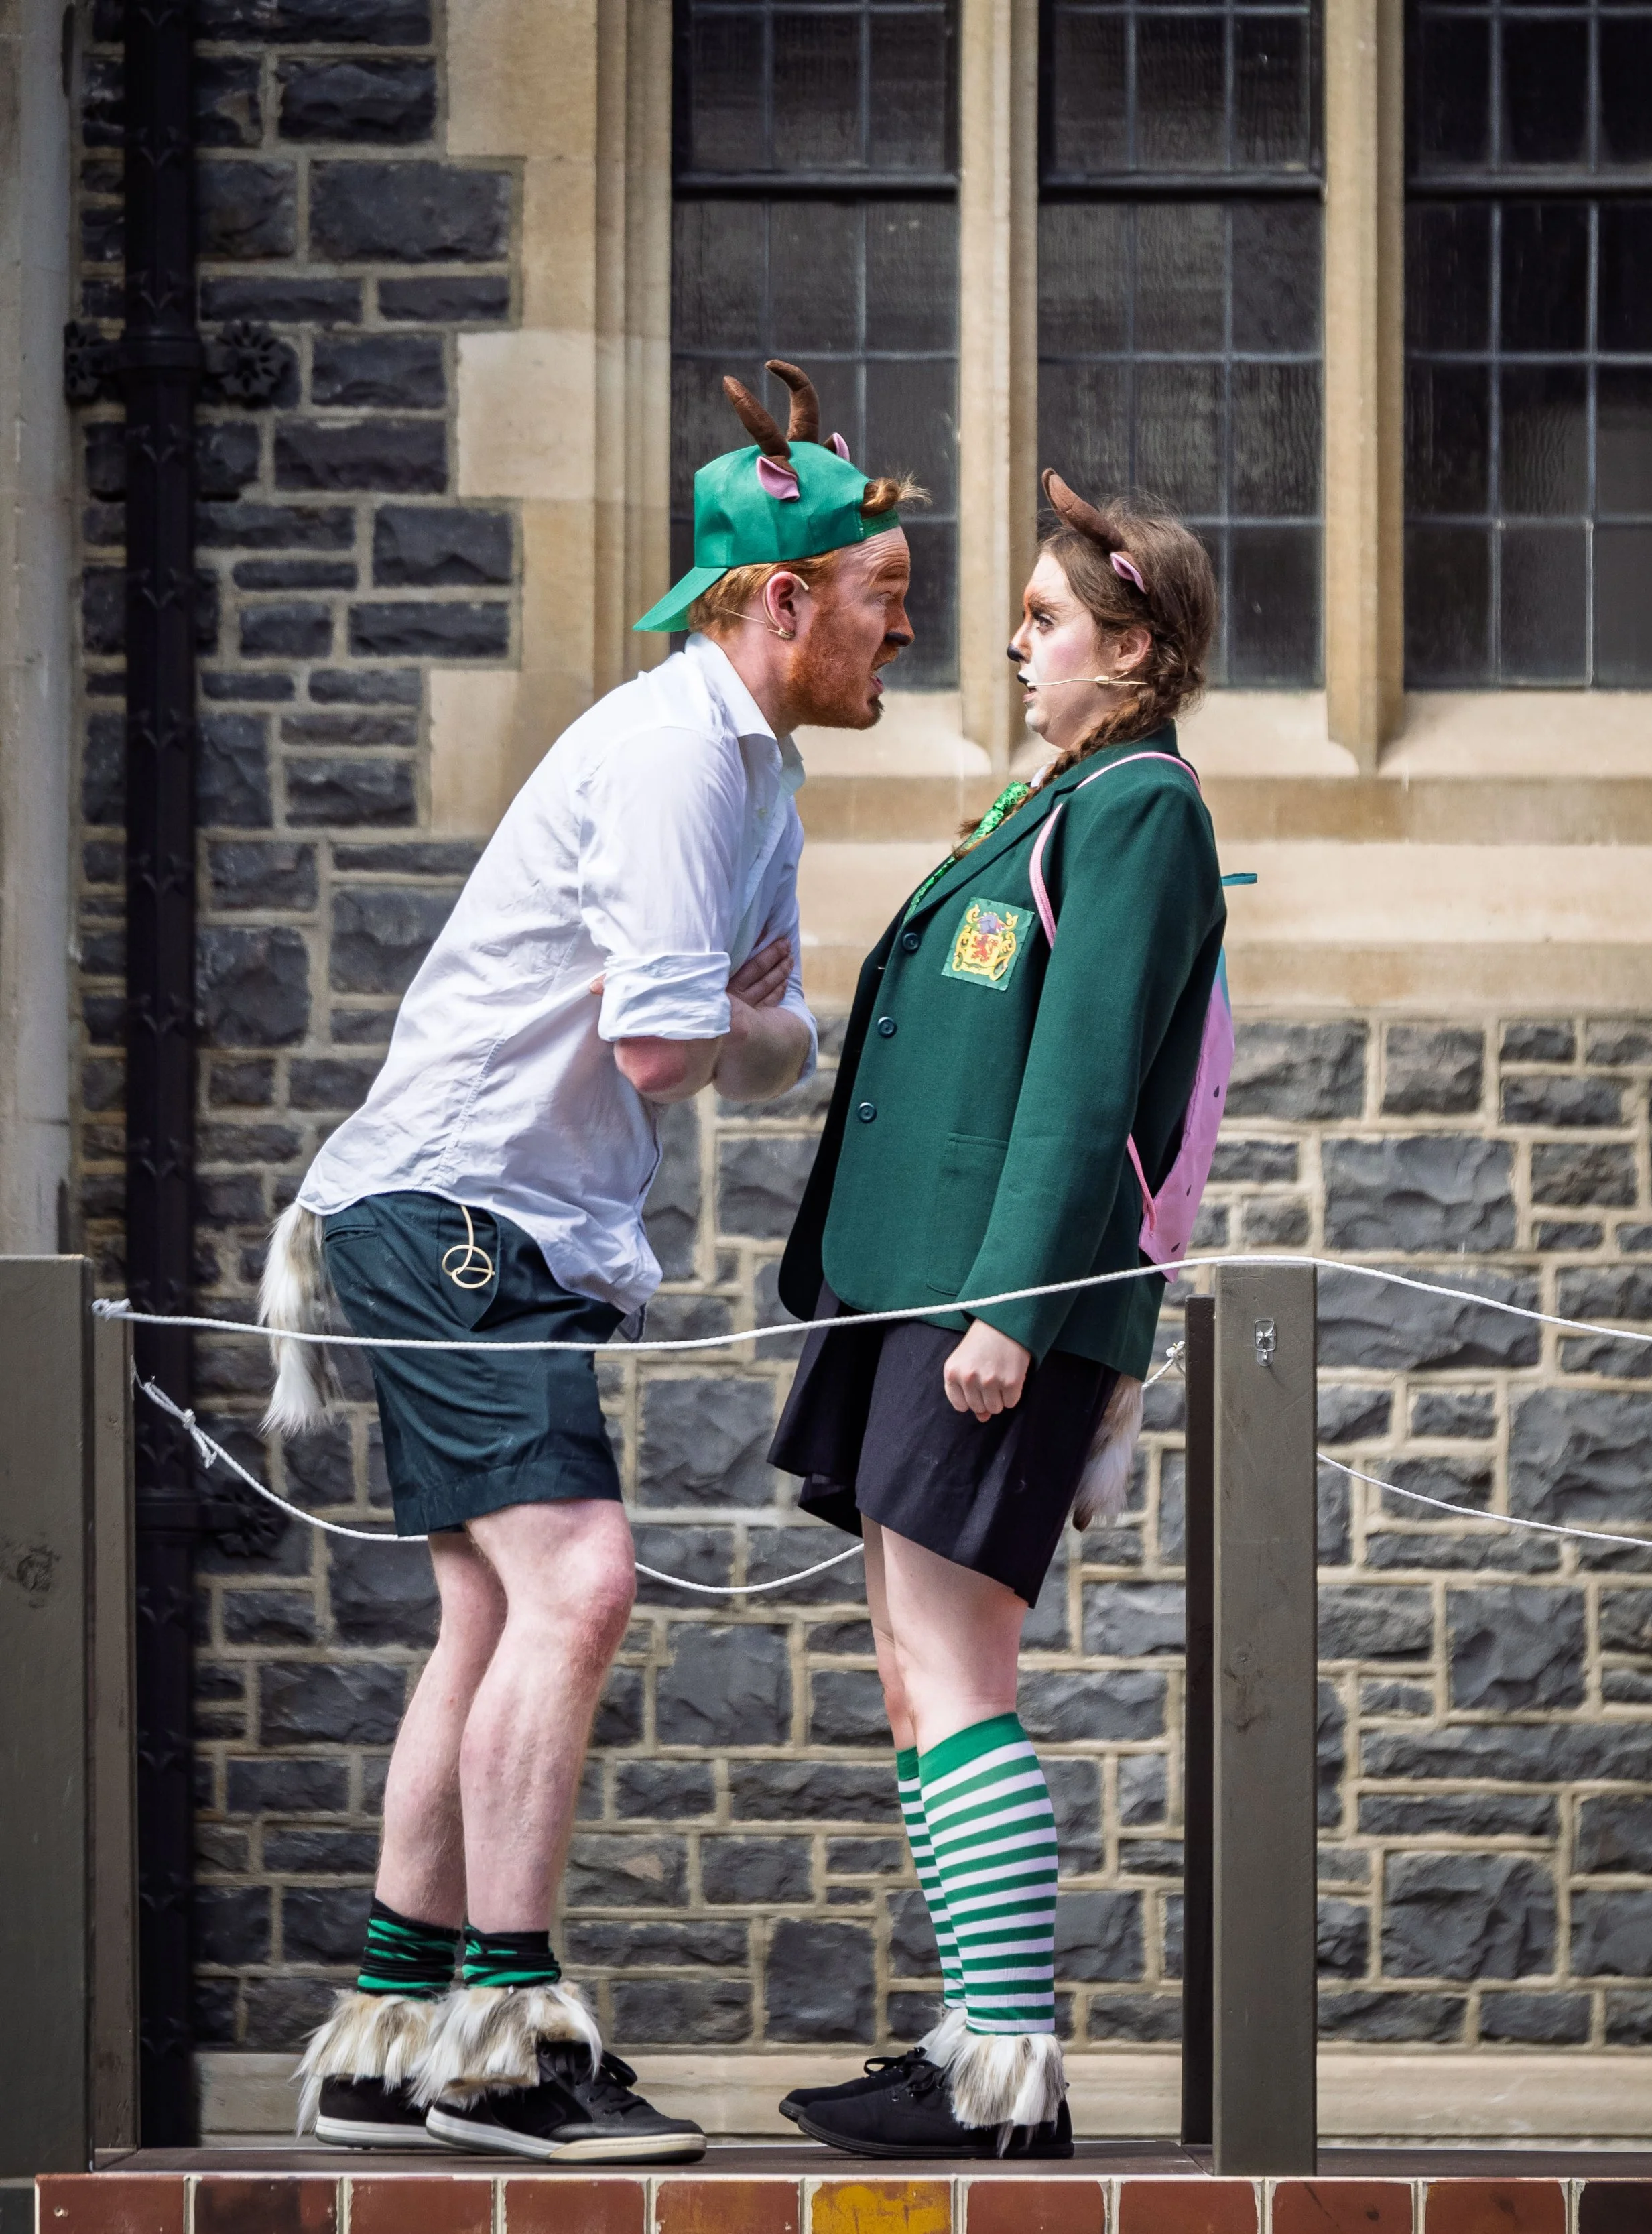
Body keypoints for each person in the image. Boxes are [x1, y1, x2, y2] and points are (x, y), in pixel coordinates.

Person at [265, 362, 923, 2164]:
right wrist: (735, 1014)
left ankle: (383, 2041)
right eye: (883, 604)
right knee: (578, 1587)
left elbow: (767, 1032)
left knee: (493, 1608)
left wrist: (735, 1017)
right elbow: (673, 1048)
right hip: (463, 1215)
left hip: (491, 1222)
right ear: (779, 601)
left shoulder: (748, 770)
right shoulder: (669, 760)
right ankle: (506, 2040)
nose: (905, 636)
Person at [767, 471, 1226, 2160]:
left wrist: (1017, 1309)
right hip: (916, 1289)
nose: (1014, 643)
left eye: (1046, 621)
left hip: (990, 1300)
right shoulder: (1053, 797)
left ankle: (1003, 2068)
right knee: (913, 1671)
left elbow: (1084, 1075)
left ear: (1130, 649)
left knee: (956, 1667)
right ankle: (971, 2037)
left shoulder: (1138, 811)